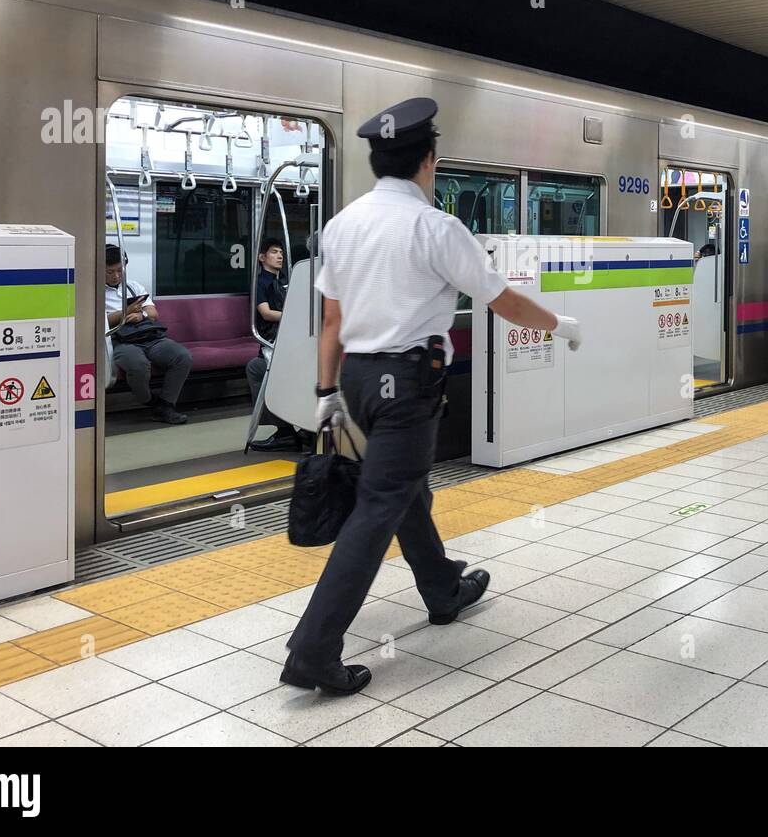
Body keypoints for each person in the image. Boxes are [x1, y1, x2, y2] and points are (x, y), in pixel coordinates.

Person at [283, 97, 583, 696]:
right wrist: (562, 325)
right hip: (407, 384)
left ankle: (443, 587)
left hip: (358, 382)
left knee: (403, 488)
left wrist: (325, 392)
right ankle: (312, 652)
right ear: (428, 161)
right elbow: (502, 299)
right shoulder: (434, 227)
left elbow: (332, 321)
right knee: (380, 507)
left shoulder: (343, 225)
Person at [104, 245, 191, 425]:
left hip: (148, 335)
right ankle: (150, 401)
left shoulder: (133, 287)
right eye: (110, 272)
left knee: (182, 357)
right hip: (121, 341)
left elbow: (152, 313)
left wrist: (140, 314)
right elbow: (102, 322)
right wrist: (125, 312)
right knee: (138, 365)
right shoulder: (95, 292)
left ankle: (166, 405)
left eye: (120, 270)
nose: (116, 276)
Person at [245, 237, 307, 452]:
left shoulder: (287, 280)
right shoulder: (260, 282)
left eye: (281, 252)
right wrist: (295, 314)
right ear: (262, 257)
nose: (279, 256)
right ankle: (289, 429)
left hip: (290, 337)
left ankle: (287, 431)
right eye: (274, 252)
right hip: (273, 339)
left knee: (257, 369)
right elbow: (266, 313)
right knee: (260, 368)